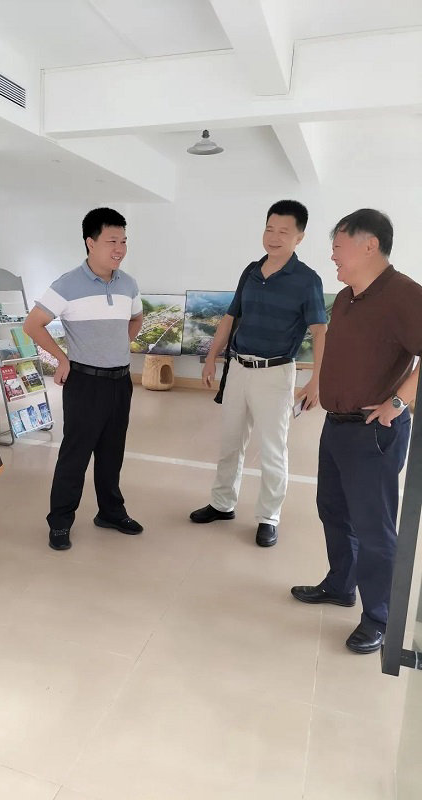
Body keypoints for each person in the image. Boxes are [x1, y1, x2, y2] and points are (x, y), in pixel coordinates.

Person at [291, 209, 421, 654]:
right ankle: (340, 584)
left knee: (373, 528)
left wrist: (398, 402)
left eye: (338, 246)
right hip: (337, 425)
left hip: (373, 431)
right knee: (333, 509)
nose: (332, 256)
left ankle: (378, 616)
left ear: (370, 245)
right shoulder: (347, 297)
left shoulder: (404, 294)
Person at [190, 200, 327, 546]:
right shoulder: (251, 270)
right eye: (269, 229)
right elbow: (230, 316)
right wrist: (212, 356)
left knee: (272, 449)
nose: (274, 237)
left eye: (283, 231)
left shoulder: (307, 280)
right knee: (230, 442)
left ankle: (268, 517)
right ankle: (222, 503)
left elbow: (320, 331)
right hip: (238, 368)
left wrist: (316, 380)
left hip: (275, 374)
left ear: (299, 237)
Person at [23, 207, 144, 551]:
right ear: (90, 242)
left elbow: (136, 319)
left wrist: (118, 346)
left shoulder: (128, 283)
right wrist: (62, 358)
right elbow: (32, 324)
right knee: (75, 455)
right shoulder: (67, 284)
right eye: (112, 241)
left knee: (112, 452)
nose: (119, 249)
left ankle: (111, 512)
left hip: (121, 381)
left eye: (123, 241)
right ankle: (60, 521)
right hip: (85, 382)